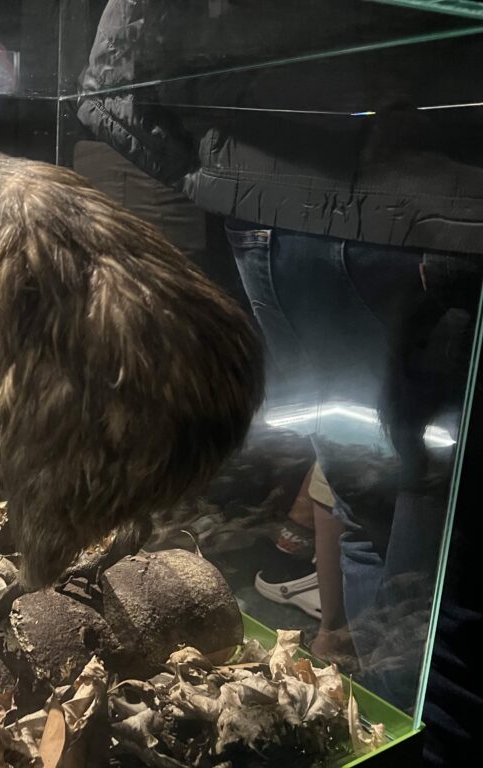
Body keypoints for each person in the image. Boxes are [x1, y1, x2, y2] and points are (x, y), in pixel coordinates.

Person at [76, 0, 483, 752]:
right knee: (442, 545)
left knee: (365, 500)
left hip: (267, 200)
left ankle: (377, 726)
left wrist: (223, 165)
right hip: (435, 200)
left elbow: (130, 51)